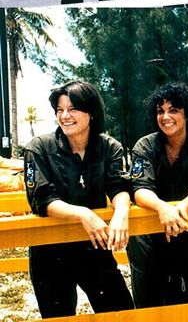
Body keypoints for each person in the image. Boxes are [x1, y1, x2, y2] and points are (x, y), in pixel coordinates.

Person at [24, 81, 133, 318]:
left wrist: (122, 212)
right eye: (60, 110)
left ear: (91, 112)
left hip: (94, 246)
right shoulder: (38, 148)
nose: (65, 116)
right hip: (50, 252)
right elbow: (41, 198)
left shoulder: (108, 147)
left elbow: (119, 186)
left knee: (122, 313)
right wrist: (83, 213)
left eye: (72, 109)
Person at [127, 83, 188, 308]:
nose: (166, 116)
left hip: (184, 230)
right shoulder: (144, 146)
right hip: (146, 237)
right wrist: (162, 208)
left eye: (173, 110)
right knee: (148, 305)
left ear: (187, 113)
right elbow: (139, 188)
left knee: (184, 302)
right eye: (160, 111)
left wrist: (181, 207)